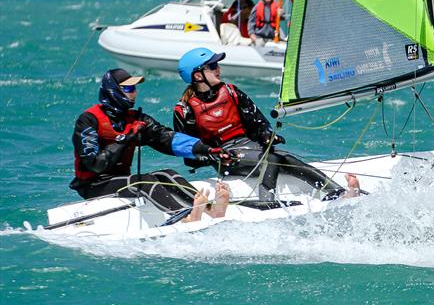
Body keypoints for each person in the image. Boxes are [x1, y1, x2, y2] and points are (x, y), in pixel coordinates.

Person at [173, 47, 346, 201]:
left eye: (217, 64)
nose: (218, 69)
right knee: (274, 158)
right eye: (212, 66)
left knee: (286, 157)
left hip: (250, 147)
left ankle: (337, 191)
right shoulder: (185, 111)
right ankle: (267, 201)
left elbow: (258, 124)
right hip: (226, 159)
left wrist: (267, 136)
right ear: (197, 75)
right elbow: (190, 157)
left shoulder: (232, 92)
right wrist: (215, 156)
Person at [71, 68, 227, 213]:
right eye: (128, 89)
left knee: (167, 174)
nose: (134, 93)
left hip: (123, 180)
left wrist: (206, 149)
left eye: (134, 89)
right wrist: (124, 141)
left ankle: (208, 209)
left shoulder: (136, 119)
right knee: (144, 181)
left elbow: (166, 138)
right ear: (113, 91)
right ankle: (183, 215)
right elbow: (94, 164)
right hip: (94, 185)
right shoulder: (88, 120)